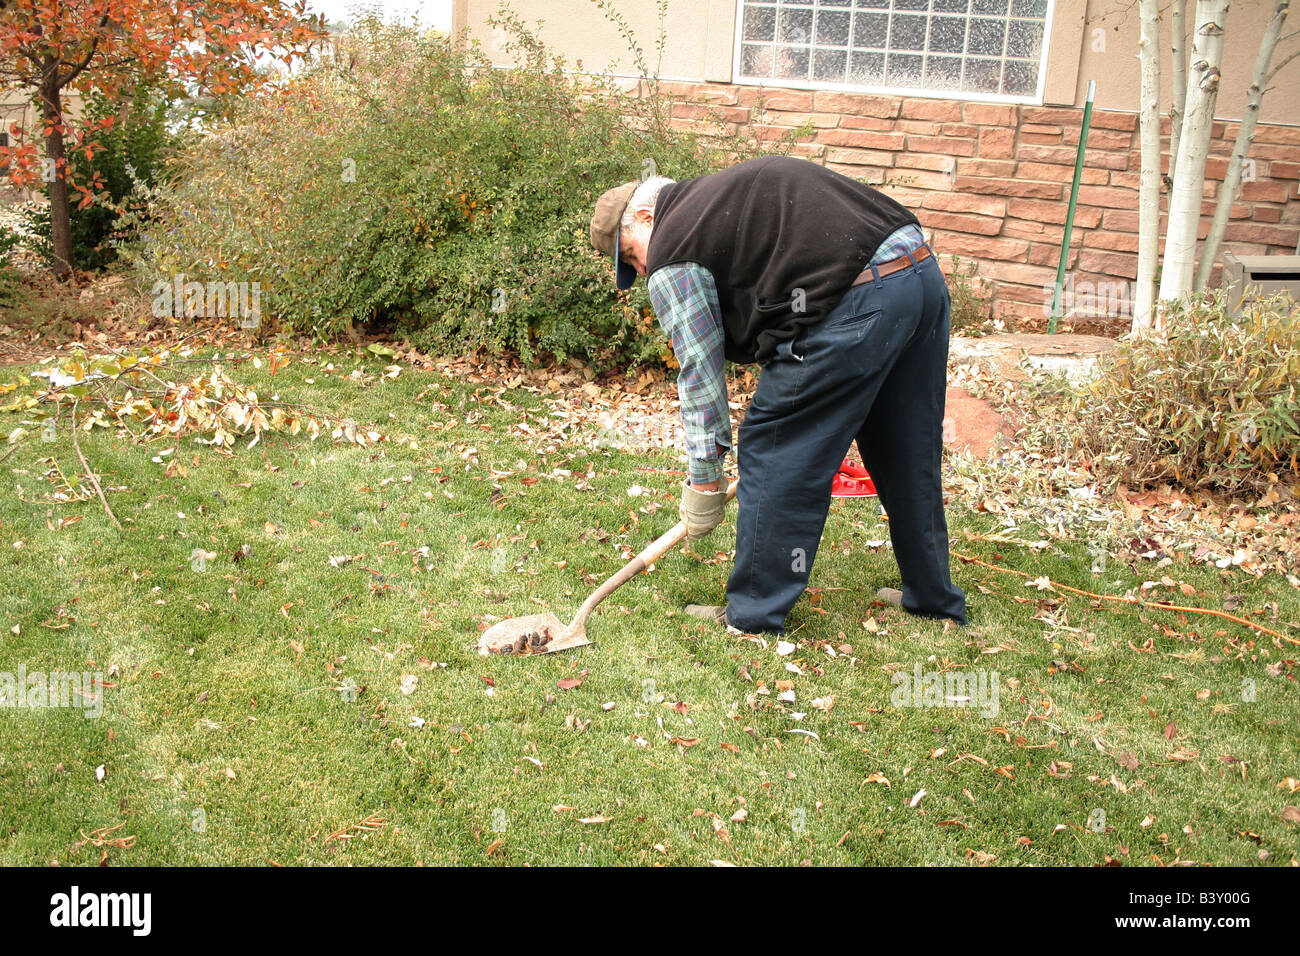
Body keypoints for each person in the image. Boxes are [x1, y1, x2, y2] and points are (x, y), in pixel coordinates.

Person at [588, 156, 966, 634]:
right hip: (919, 276)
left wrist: (704, 479)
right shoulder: (715, 199)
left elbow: (700, 372)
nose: (642, 271)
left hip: (857, 297)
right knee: (905, 445)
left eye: (632, 255)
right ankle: (934, 598)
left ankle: (753, 615)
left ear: (646, 218)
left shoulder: (674, 246)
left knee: (775, 447)